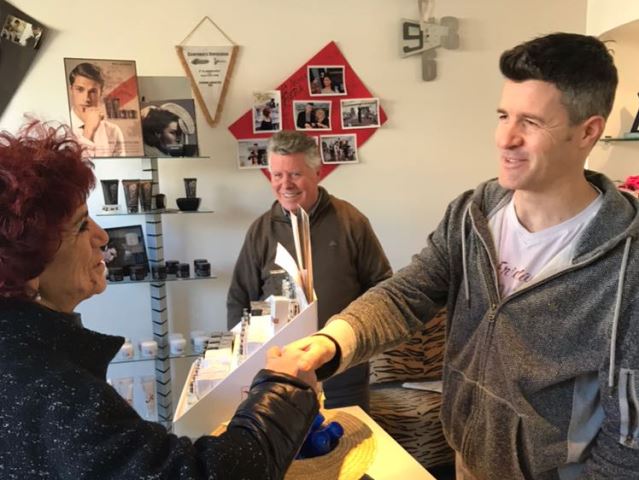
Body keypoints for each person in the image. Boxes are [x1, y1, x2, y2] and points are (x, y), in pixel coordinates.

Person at [284, 32, 639, 479]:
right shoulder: (473, 213)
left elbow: (629, 439)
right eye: (503, 115)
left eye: (531, 122)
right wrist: (333, 342)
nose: (505, 138)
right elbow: (406, 294)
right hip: (466, 459)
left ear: (587, 131)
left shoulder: (626, 262)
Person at [0, 121, 318, 479]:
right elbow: (199, 474)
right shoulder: (51, 387)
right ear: (28, 260)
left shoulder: (28, 354)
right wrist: (284, 389)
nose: (102, 236)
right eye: (81, 225)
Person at [227, 130, 392, 412]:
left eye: (295, 174)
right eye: (277, 175)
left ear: (317, 173)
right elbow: (239, 300)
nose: (285, 184)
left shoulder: (351, 221)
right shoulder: (261, 231)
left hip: (343, 375)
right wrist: (244, 364)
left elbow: (382, 290)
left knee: (350, 439)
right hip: (279, 378)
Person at [67, 62, 125, 157]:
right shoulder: (59, 129)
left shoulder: (113, 131)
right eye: (80, 89)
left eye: (93, 91)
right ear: (71, 90)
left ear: (101, 93)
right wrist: (88, 132)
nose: (86, 98)